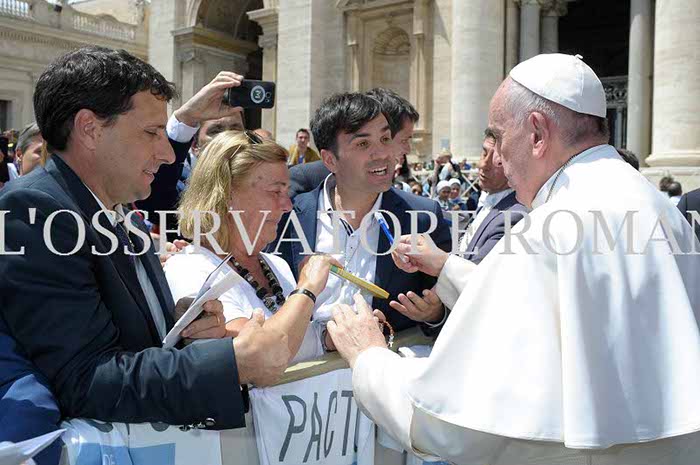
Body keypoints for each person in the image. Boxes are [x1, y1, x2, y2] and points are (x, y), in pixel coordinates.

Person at [326, 54, 700, 464]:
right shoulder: (659, 208)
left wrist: (368, 357)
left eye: (500, 138)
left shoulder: (547, 229)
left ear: (537, 133)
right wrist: (446, 267)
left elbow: (450, 427)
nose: (500, 159)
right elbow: (553, 305)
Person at [0, 46, 290, 429]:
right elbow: (85, 379)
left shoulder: (125, 215)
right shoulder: (34, 211)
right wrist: (229, 363)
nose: (168, 154)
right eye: (152, 132)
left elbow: (134, 344)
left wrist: (184, 330)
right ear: (90, 129)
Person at [277, 92, 452, 337]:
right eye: (363, 144)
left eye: (385, 139)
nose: (383, 154)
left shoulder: (422, 217)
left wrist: (434, 314)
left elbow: (451, 314)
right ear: (330, 159)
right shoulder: (288, 216)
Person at [165, 130, 343, 363]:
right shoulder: (188, 267)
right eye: (275, 192)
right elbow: (260, 354)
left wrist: (339, 332)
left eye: (286, 192)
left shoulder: (276, 264)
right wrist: (307, 288)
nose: (287, 205)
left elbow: (298, 340)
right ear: (227, 194)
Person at [139, 110, 246, 239]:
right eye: (215, 131)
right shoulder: (180, 190)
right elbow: (154, 200)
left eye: (235, 129)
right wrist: (185, 118)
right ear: (195, 146)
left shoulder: (264, 184)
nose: (227, 138)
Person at [459, 129, 527, 264]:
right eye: (484, 153)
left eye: (497, 160)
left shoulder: (513, 216)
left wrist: (437, 261)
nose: (483, 165)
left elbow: (477, 269)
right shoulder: (488, 200)